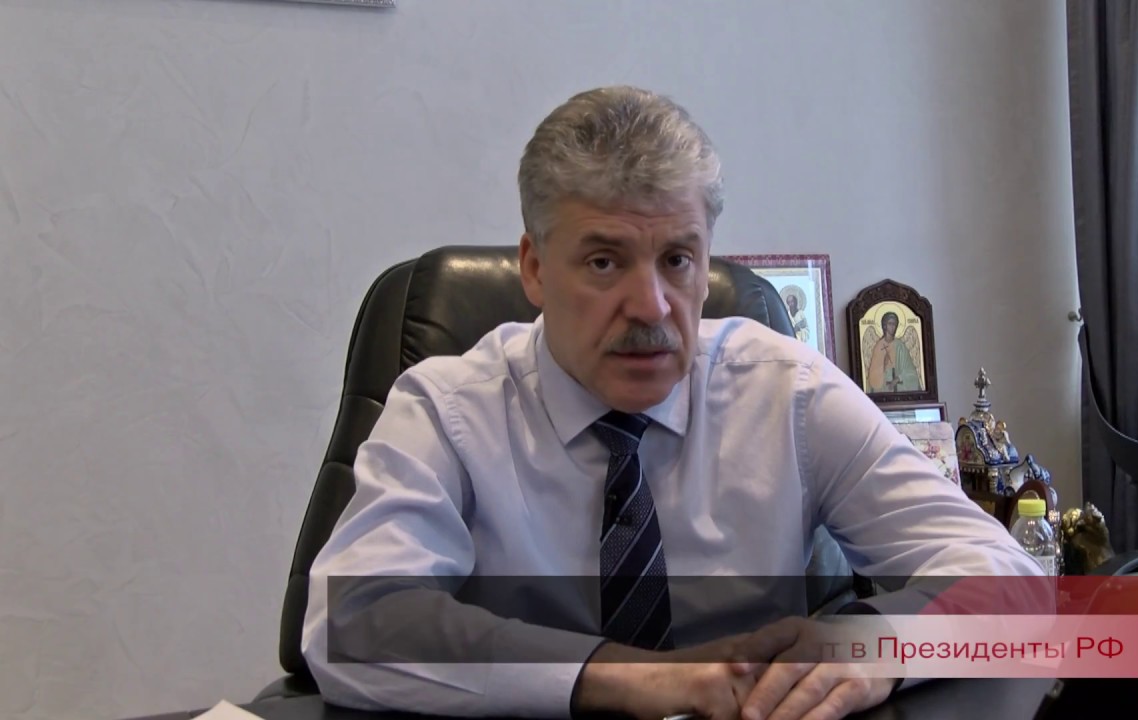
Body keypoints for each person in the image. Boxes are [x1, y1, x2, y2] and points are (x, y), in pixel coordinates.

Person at [301, 86, 1045, 720]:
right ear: (534, 268)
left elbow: (1016, 585)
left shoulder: (788, 393)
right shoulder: (449, 408)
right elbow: (353, 620)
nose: (651, 306)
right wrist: (631, 677)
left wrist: (877, 646)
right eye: (604, 261)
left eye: (677, 260)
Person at [866, 312, 922, 393]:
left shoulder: (900, 346)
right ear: (885, 326)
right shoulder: (878, 347)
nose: (892, 327)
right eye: (890, 324)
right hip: (883, 388)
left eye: (894, 324)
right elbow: (872, 376)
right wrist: (882, 366)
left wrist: (898, 378)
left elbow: (911, 372)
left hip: (899, 388)